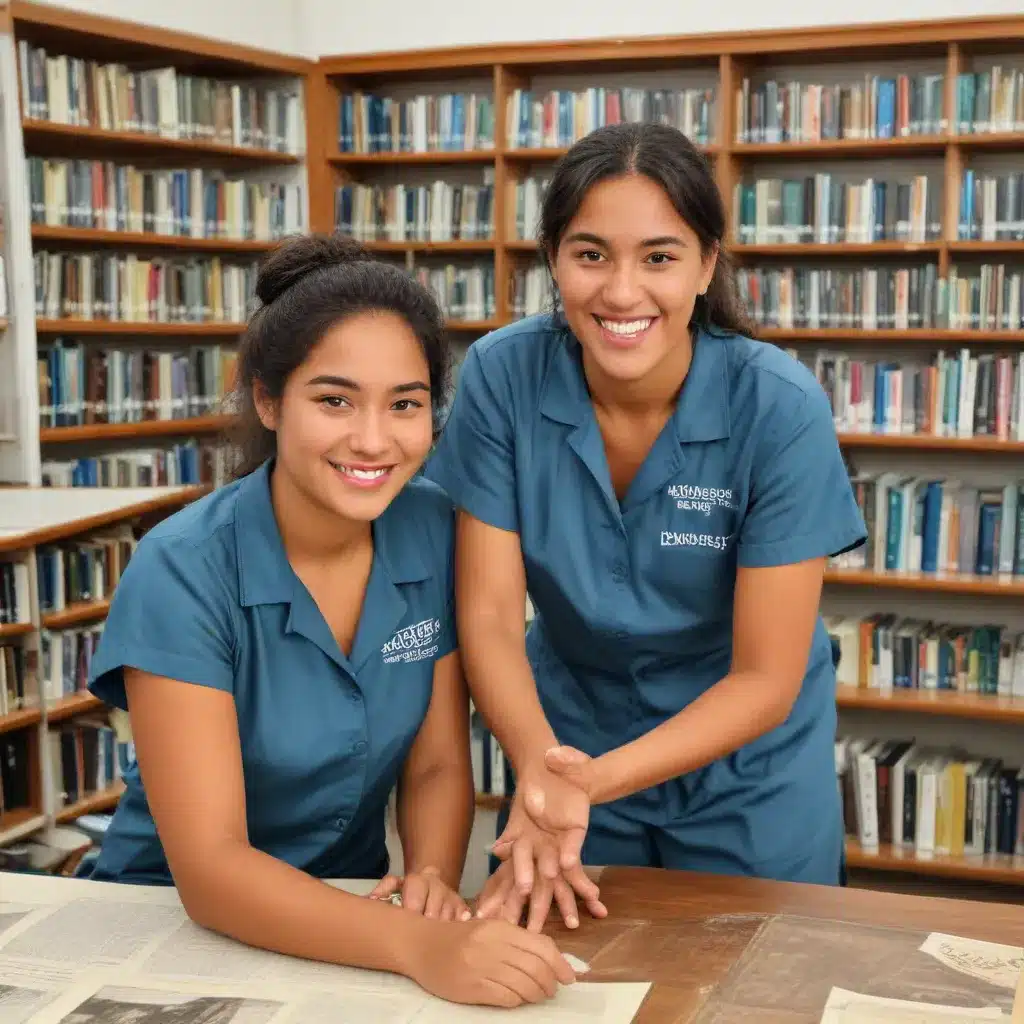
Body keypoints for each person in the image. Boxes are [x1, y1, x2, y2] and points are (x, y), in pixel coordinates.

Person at [80, 233, 578, 1009]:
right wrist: (422, 944)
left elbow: (439, 763)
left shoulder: (433, 528)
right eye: (335, 400)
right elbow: (210, 871)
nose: (374, 441)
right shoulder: (180, 570)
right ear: (269, 400)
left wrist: (432, 884)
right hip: (175, 928)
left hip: (355, 914)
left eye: (406, 404)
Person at [424, 121, 867, 932]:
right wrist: (538, 767)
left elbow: (765, 678)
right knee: (549, 981)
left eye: (658, 257)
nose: (621, 292)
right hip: (561, 739)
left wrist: (580, 785)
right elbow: (486, 612)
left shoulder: (778, 406)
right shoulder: (501, 375)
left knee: (756, 989)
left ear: (706, 265)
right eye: (590, 254)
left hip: (747, 777)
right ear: (553, 259)